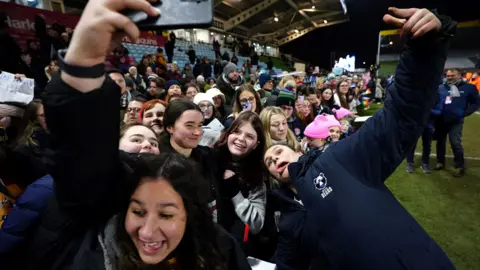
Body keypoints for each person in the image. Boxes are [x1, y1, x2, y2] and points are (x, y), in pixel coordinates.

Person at [23, 1, 251, 269]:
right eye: (138, 212)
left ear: (190, 215)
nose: (147, 233)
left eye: (166, 215)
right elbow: (84, 155)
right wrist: (82, 61)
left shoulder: (219, 251)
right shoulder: (90, 224)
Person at [263, 8, 456, 270]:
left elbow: (399, 116)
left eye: (277, 152)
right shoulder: (287, 219)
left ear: (296, 151)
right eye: (269, 161)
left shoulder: (338, 159)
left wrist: (424, 50)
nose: (274, 158)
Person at [214, 112, 267, 255]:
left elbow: (256, 224)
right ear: (228, 133)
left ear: (256, 144)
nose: (241, 139)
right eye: (236, 132)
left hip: (233, 248)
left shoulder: (256, 176)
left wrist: (235, 193)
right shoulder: (209, 158)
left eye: (249, 136)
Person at [433, 68, 480, 177]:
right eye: (448, 75)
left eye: (452, 75)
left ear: (459, 76)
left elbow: (476, 103)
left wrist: (464, 113)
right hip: (441, 120)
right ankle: (440, 162)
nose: (449, 78)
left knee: (455, 143)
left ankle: (459, 166)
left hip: (456, 121)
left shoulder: (469, 88)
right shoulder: (441, 87)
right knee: (440, 143)